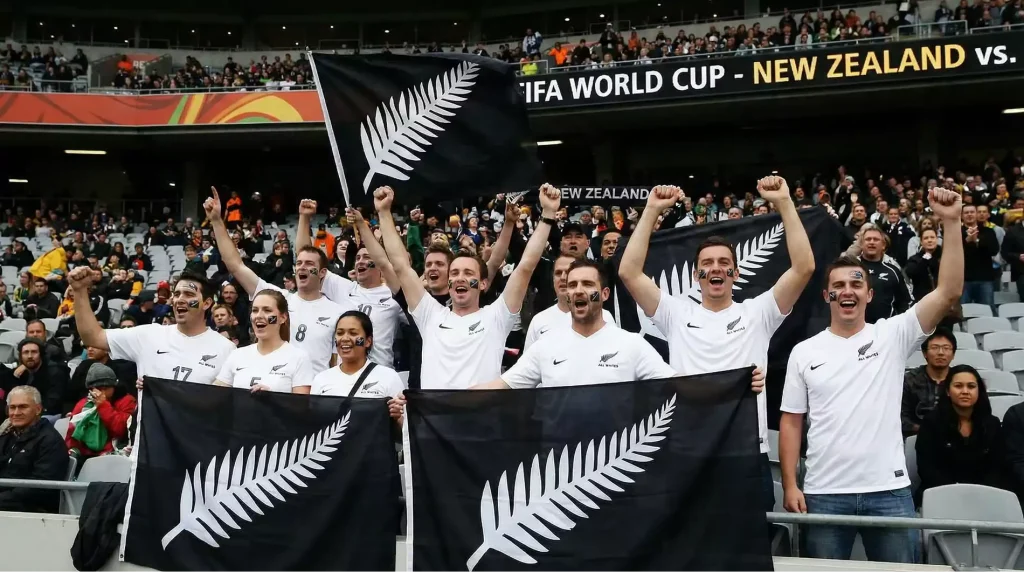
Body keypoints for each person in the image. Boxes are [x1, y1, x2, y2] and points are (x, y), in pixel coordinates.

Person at [779, 187, 964, 564]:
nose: (847, 291)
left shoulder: (893, 335)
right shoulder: (805, 351)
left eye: (856, 284)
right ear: (827, 296)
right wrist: (790, 483)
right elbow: (792, 421)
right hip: (824, 494)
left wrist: (951, 221)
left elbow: (948, 292)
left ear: (868, 293)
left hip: (890, 492)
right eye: (839, 286)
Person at [618, 176, 815, 510]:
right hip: (688, 449)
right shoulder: (675, 315)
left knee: (750, 551)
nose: (716, 269)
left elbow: (804, 267)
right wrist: (651, 210)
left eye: (724, 263)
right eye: (707, 264)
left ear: (736, 274)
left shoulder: (759, 313)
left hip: (745, 451)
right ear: (697, 276)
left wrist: (784, 201)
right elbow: (629, 273)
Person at [375, 184, 558, 390]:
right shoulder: (430, 315)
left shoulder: (497, 316)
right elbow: (401, 266)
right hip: (435, 419)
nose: (460, 278)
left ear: (483, 283)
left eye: (468, 273)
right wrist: (383, 212)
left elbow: (526, 266)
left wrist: (548, 214)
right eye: (454, 273)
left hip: (481, 419)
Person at [205, 187, 351, 374]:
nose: (302, 267)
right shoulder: (277, 299)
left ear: (322, 272)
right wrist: (217, 221)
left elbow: (336, 364)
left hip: (313, 394)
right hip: (275, 389)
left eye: (308, 264)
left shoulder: (338, 312)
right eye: (298, 263)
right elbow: (236, 266)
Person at [474, 260, 677, 389]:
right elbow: (500, 386)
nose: (578, 290)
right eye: (572, 285)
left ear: (605, 294)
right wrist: (446, 401)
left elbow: (678, 384)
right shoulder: (545, 347)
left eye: (587, 284)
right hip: (558, 455)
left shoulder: (631, 344)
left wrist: (709, 387)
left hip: (618, 456)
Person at [68, 266, 236, 386]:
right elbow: (92, 337)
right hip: (150, 435)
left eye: (189, 294)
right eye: (176, 294)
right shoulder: (149, 335)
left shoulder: (226, 349)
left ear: (207, 303)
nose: (180, 299)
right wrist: (80, 291)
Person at [296, 201, 407, 369]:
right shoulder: (343, 288)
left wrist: (362, 224)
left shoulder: (394, 296)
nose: (360, 261)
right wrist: (304, 218)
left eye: (367, 257)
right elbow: (307, 259)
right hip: (344, 377)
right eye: (358, 258)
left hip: (379, 376)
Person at [914, 365, 1003, 506]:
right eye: (958, 386)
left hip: (984, 497)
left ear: (979, 391)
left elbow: (997, 467)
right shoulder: (932, 422)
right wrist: (958, 492)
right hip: (941, 496)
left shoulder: (992, 423)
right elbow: (927, 468)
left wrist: (980, 493)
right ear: (948, 391)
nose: (965, 391)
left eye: (971, 386)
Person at [213, 290, 313, 394]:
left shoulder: (299, 357)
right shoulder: (237, 355)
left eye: (267, 310)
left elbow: (301, 407)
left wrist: (273, 399)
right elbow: (215, 396)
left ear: (283, 317)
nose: (259, 316)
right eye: (255, 310)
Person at [314, 311, 405, 425]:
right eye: (340, 333)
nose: (345, 338)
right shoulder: (321, 379)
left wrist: (397, 418)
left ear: (368, 341)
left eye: (353, 333)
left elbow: (404, 432)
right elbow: (315, 426)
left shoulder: (388, 377)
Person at [0, 386, 69, 513]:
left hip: (32, 511)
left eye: (23, 407)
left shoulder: (50, 440)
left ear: (38, 409)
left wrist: (3, 499)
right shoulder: (7, 435)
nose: (16, 413)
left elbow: (41, 486)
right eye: (12, 407)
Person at [525, 254, 613, 350]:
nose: (563, 278)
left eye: (567, 272)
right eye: (558, 273)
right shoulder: (539, 320)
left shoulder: (605, 316)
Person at [65, 363, 136, 460]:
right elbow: (72, 433)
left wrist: (103, 405)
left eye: (105, 388)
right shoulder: (84, 404)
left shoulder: (127, 401)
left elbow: (121, 429)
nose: (101, 393)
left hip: (114, 452)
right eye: (98, 389)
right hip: (85, 453)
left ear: (114, 386)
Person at [849, 223, 911, 323]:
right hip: (853, 328)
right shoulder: (849, 267)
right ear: (861, 244)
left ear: (883, 245)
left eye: (876, 239)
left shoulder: (893, 271)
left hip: (885, 330)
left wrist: (896, 323)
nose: (872, 242)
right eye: (868, 239)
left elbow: (906, 300)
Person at [902, 329, 956, 437]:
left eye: (946, 348)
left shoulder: (959, 379)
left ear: (953, 354)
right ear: (924, 353)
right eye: (935, 348)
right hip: (915, 438)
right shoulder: (909, 380)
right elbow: (900, 418)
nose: (941, 353)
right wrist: (928, 430)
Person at [0, 338, 68, 417]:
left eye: (34, 352)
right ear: (20, 356)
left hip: (47, 416)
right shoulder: (21, 372)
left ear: (41, 355)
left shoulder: (55, 372)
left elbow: (52, 404)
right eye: (26, 352)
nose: (29, 356)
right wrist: (15, 377)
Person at [961, 204, 999, 306]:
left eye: (972, 212)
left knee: (987, 311)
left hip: (985, 278)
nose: (969, 215)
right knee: (964, 313)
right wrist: (967, 241)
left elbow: (994, 250)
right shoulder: (957, 233)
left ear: (976, 214)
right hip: (963, 279)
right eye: (966, 212)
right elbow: (952, 253)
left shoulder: (988, 231)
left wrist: (977, 241)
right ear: (961, 216)